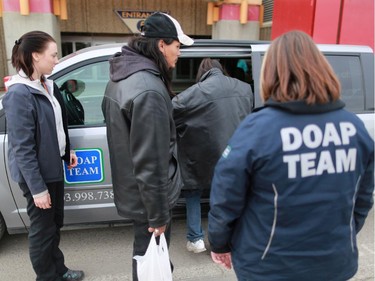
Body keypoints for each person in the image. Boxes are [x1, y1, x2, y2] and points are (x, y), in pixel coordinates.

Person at [208, 30, 374, 281]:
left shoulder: (258, 129)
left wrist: (220, 244)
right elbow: (362, 199)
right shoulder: (354, 128)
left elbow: (226, 198)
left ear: (271, 73)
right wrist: (342, 235)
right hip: (334, 264)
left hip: (268, 267)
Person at [101, 12, 193, 281]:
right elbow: (151, 160)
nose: (180, 54)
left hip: (135, 192)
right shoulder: (149, 89)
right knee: (151, 260)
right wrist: (158, 215)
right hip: (150, 199)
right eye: (178, 47)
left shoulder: (122, 76)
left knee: (146, 257)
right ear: (161, 45)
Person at [2, 31, 84, 281]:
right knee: (42, 229)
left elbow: (60, 124)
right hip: (36, 175)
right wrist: (38, 189)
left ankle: (58, 269)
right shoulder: (19, 94)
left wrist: (66, 151)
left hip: (53, 167)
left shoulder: (47, 84)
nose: (57, 60)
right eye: (53, 54)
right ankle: (47, 277)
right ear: (36, 56)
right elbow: (22, 147)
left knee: (54, 223)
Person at [172, 58, 253, 253]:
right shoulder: (245, 89)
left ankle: (196, 239)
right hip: (236, 154)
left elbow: (172, 111)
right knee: (231, 195)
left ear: (202, 73)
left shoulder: (193, 93)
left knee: (193, 191)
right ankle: (231, 238)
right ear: (220, 70)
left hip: (203, 157)